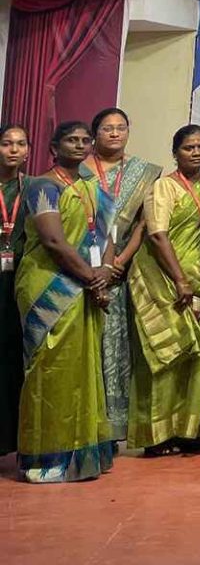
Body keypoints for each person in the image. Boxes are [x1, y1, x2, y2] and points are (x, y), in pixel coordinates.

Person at [15, 121, 115, 482]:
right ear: (54, 147)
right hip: (49, 288)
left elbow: (107, 235)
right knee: (50, 370)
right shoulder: (42, 185)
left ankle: (82, 456)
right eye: (71, 140)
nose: (80, 145)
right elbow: (54, 242)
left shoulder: (94, 187)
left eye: (85, 140)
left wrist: (105, 272)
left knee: (83, 370)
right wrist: (92, 279)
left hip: (86, 286)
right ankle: (45, 458)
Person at [127, 125, 200, 456]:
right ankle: (158, 436)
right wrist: (180, 280)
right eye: (189, 147)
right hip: (166, 282)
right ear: (176, 152)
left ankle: (195, 432)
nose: (196, 152)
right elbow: (157, 235)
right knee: (166, 356)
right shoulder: (163, 187)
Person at [82, 106, 160, 442]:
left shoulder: (144, 172)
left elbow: (144, 222)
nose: (115, 133)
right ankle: (86, 420)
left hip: (123, 268)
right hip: (83, 265)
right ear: (94, 134)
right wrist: (95, 265)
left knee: (119, 343)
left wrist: (121, 260)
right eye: (107, 128)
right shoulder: (79, 169)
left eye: (121, 127)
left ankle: (115, 425)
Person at [0, 125, 30, 460]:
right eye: (6, 143)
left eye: (20, 144)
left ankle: (11, 437)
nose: (13, 150)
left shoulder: (34, 187)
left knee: (13, 357)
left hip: (21, 281)